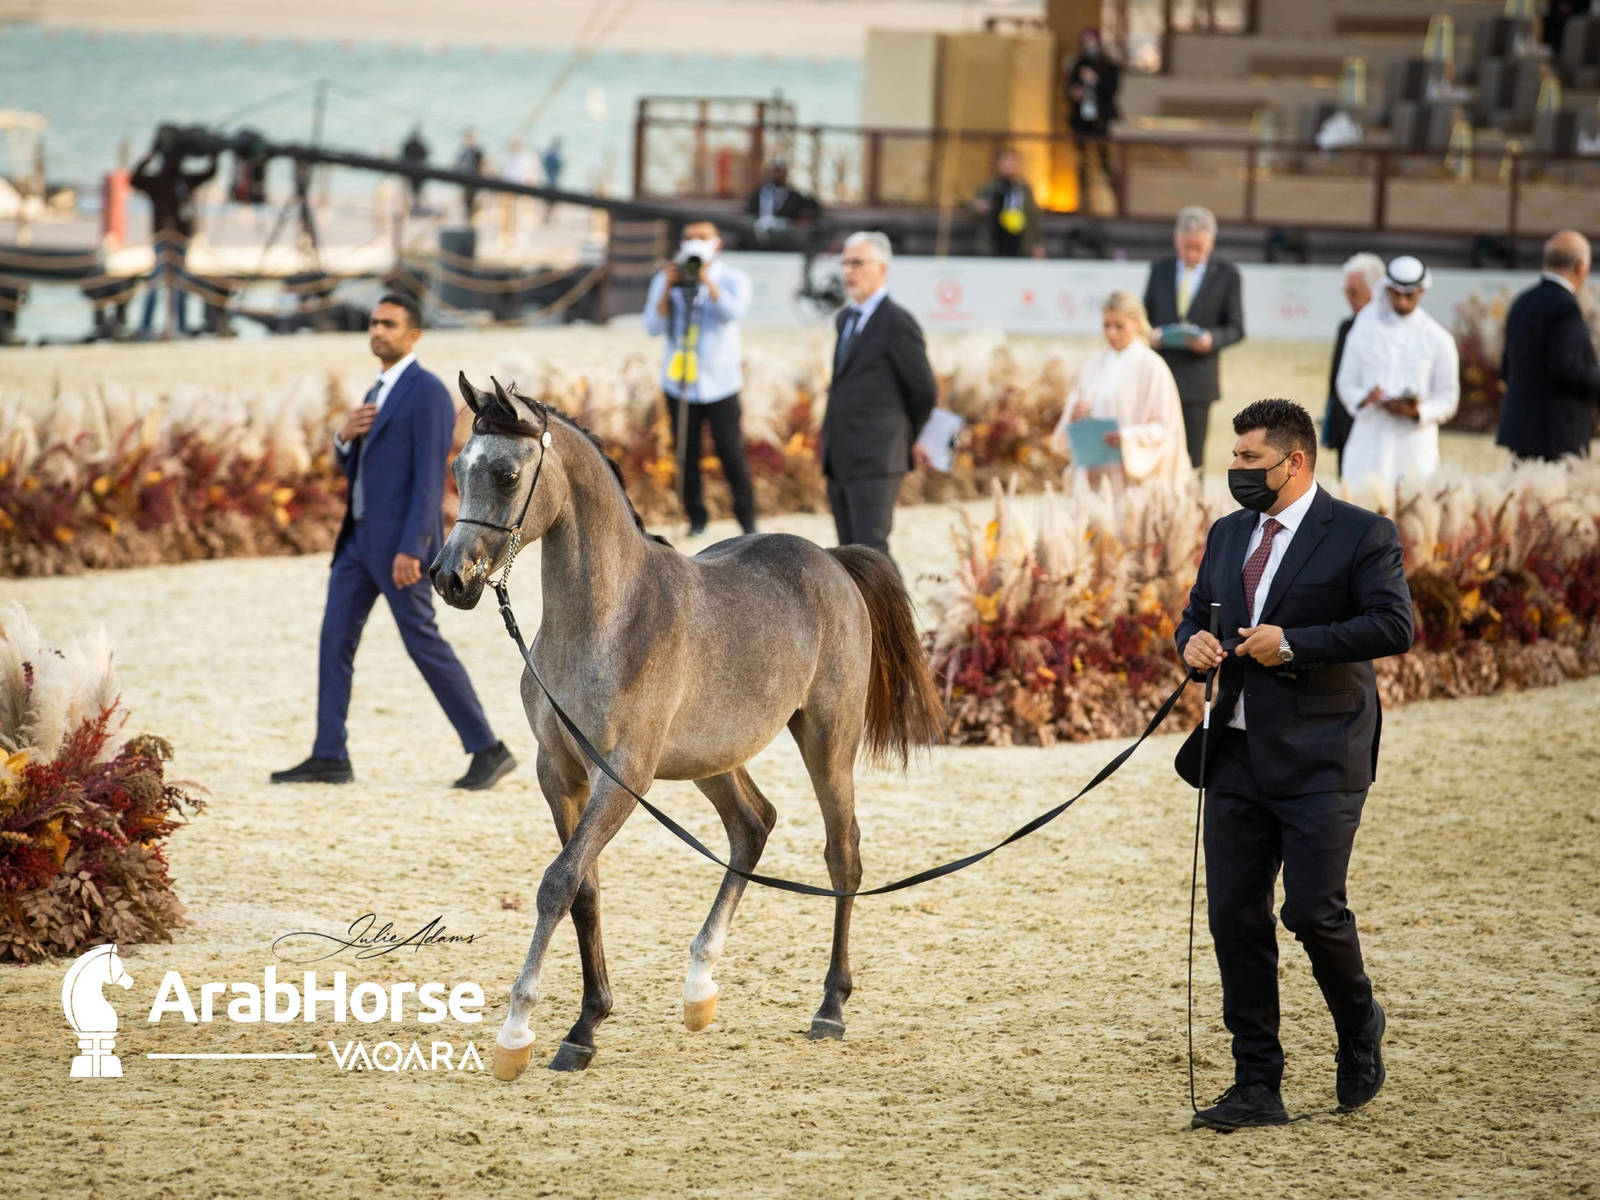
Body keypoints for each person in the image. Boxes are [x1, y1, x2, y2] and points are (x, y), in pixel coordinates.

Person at [1175, 398, 1414, 1131]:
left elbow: (1393, 623)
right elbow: (1196, 614)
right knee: (1233, 917)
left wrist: (1296, 643)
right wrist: (1191, 644)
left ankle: (1357, 1022)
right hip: (1237, 751)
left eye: (1251, 460)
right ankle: (1257, 1083)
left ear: (1295, 461)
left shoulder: (1361, 534)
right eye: (1236, 458)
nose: (1237, 471)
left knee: (1312, 911)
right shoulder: (1226, 534)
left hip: (1323, 751)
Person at [271, 292, 515, 790]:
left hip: (400, 546)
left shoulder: (425, 392)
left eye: (388, 323)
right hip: (356, 544)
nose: (377, 331)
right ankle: (329, 754)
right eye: (373, 323)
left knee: (422, 643)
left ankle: (488, 749)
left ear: (414, 334)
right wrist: (344, 438)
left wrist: (413, 547)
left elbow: (430, 477)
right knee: (333, 641)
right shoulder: (376, 390)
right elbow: (356, 469)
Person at [821, 231, 938, 562]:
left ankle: (900, 617)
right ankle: (864, 617)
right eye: (845, 263)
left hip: (877, 456)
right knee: (848, 557)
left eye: (857, 263)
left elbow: (924, 391)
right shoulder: (846, 319)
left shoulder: (897, 322)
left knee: (873, 553)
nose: (847, 272)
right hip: (840, 455)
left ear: (882, 269)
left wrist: (904, 439)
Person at [641, 220, 757, 537]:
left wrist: (707, 281)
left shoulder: (733, 278)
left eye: (701, 238)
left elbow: (734, 313)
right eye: (688, 238)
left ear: (716, 243)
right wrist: (667, 287)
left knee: (730, 452)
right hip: (680, 383)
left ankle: (747, 519)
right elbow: (652, 326)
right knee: (686, 454)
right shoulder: (668, 277)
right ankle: (696, 519)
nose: (694, 243)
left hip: (720, 381)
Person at [1336, 255, 1460, 490]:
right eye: (1396, 294)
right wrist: (1366, 398)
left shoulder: (1438, 339)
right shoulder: (1364, 330)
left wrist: (1417, 411)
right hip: (1369, 442)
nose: (1402, 301)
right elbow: (1345, 383)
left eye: (1409, 295)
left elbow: (1448, 397)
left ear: (1421, 292)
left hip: (1415, 447)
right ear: (1387, 290)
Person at [1048, 290, 1187, 491]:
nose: (1111, 333)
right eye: (1106, 325)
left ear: (1137, 323)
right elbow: (1073, 407)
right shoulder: (1093, 364)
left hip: (1132, 476)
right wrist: (1075, 414)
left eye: (1119, 326)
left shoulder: (1152, 367)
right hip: (1094, 471)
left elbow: (1166, 428)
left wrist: (1128, 436)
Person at [1143, 206, 1246, 471]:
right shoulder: (1160, 269)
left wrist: (1211, 339)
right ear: (1176, 240)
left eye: (1198, 248)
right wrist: (1151, 333)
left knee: (1192, 458)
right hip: (1160, 375)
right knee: (1157, 452)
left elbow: (1236, 328)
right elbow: (1145, 317)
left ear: (1211, 242)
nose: (1192, 254)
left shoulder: (1228, 274)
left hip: (1199, 382)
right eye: (1187, 246)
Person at [1496, 229, 1600, 461]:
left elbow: (1506, 367)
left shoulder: (1522, 301)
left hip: (1521, 432)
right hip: (1557, 435)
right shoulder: (1566, 307)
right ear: (1581, 267)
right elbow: (1568, 369)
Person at [131, 143, 217, 339]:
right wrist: (150, 155)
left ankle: (180, 328)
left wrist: (212, 150)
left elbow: (210, 172)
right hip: (163, 240)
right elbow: (134, 179)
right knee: (156, 284)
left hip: (180, 241)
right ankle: (146, 328)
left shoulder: (184, 180)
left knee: (180, 286)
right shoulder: (158, 181)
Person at [1322, 253, 1386, 474]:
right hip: (1345, 427)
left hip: (1380, 430)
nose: (1349, 297)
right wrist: (1330, 427)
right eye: (1346, 291)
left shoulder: (1390, 331)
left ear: (1376, 290)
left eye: (1354, 292)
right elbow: (1335, 382)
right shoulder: (1346, 327)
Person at [1065, 27, 1121, 212]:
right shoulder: (1078, 65)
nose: (1089, 45)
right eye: (1085, 41)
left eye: (1092, 41)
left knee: (1105, 162)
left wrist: (1096, 81)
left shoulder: (1109, 66)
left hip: (1101, 121)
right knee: (1082, 164)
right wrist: (1075, 93)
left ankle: (1116, 204)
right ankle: (1082, 204)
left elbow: (1111, 92)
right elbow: (1069, 90)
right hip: (1082, 121)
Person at [972, 149, 1045, 259]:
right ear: (998, 164)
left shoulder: (1024, 189)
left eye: (1013, 161)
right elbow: (974, 208)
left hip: (1019, 243)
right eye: (1006, 161)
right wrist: (979, 207)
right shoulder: (989, 187)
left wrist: (1036, 244)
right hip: (994, 242)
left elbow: (1032, 216)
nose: (1009, 165)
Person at [744, 159, 821, 228]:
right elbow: (749, 212)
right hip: (759, 230)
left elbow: (812, 206)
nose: (777, 175)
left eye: (780, 172)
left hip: (785, 233)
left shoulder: (794, 196)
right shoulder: (760, 193)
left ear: (785, 174)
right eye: (775, 171)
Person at [455, 130, 484, 221]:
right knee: (466, 198)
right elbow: (458, 164)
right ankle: (468, 215)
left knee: (472, 198)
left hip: (473, 178)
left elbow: (481, 164)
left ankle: (471, 215)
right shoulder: (463, 151)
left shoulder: (476, 151)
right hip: (465, 177)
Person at [401, 126, 429, 213]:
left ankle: (412, 205)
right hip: (417, 172)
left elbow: (403, 156)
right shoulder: (417, 145)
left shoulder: (409, 145)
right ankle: (414, 205)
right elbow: (425, 155)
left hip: (412, 171)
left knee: (412, 189)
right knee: (415, 189)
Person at [540, 137, 565, 224]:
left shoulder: (548, 154)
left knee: (548, 202)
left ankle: (546, 218)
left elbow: (543, 164)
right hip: (553, 182)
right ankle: (549, 218)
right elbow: (560, 168)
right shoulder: (557, 155)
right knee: (552, 202)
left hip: (547, 181)